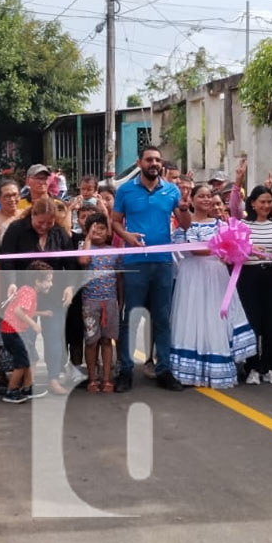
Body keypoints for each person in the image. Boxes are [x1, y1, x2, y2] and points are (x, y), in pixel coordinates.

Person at [111, 146, 189, 392]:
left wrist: (185, 209)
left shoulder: (171, 190)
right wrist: (127, 236)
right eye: (149, 159)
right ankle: (125, 370)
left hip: (163, 262)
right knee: (131, 317)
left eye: (157, 160)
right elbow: (114, 222)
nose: (153, 163)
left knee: (162, 319)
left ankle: (164, 369)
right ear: (139, 163)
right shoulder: (125, 190)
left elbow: (185, 224)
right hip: (134, 263)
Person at [169, 184, 257, 388]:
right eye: (201, 196)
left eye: (209, 196)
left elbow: (231, 249)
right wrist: (219, 248)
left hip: (216, 274)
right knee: (192, 317)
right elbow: (192, 250)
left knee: (213, 318)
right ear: (192, 200)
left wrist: (237, 249)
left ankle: (214, 366)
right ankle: (190, 369)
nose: (206, 200)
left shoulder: (220, 224)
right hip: (192, 275)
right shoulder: (186, 224)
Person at [0, 198, 78, 393]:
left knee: (54, 336)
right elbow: (7, 261)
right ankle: (27, 382)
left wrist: (69, 286)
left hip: (54, 294)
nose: (44, 227)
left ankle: (53, 378)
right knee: (27, 339)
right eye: (40, 222)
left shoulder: (59, 232)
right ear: (32, 215)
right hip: (25, 295)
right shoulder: (16, 229)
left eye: (49, 223)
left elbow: (71, 263)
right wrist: (10, 283)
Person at [236, 164, 272, 385]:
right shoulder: (243, 224)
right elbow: (238, 250)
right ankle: (253, 367)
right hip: (249, 277)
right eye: (262, 202)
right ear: (253, 204)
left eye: (269, 201)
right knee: (253, 322)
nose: (266, 205)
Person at [0, 261, 56, 403]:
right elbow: (18, 311)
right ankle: (11, 391)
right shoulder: (29, 292)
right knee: (22, 362)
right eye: (48, 281)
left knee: (33, 358)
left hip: (16, 330)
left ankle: (27, 387)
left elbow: (25, 310)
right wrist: (34, 325)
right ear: (38, 281)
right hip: (12, 331)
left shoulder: (27, 290)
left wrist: (43, 313)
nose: (51, 284)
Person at [79, 212, 122, 393]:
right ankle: (92, 378)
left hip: (110, 301)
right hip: (90, 302)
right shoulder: (84, 247)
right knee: (91, 341)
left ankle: (106, 378)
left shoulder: (114, 252)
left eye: (102, 228)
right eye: (93, 229)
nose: (98, 232)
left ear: (108, 231)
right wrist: (88, 239)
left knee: (107, 340)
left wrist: (120, 301)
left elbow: (119, 278)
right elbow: (84, 261)